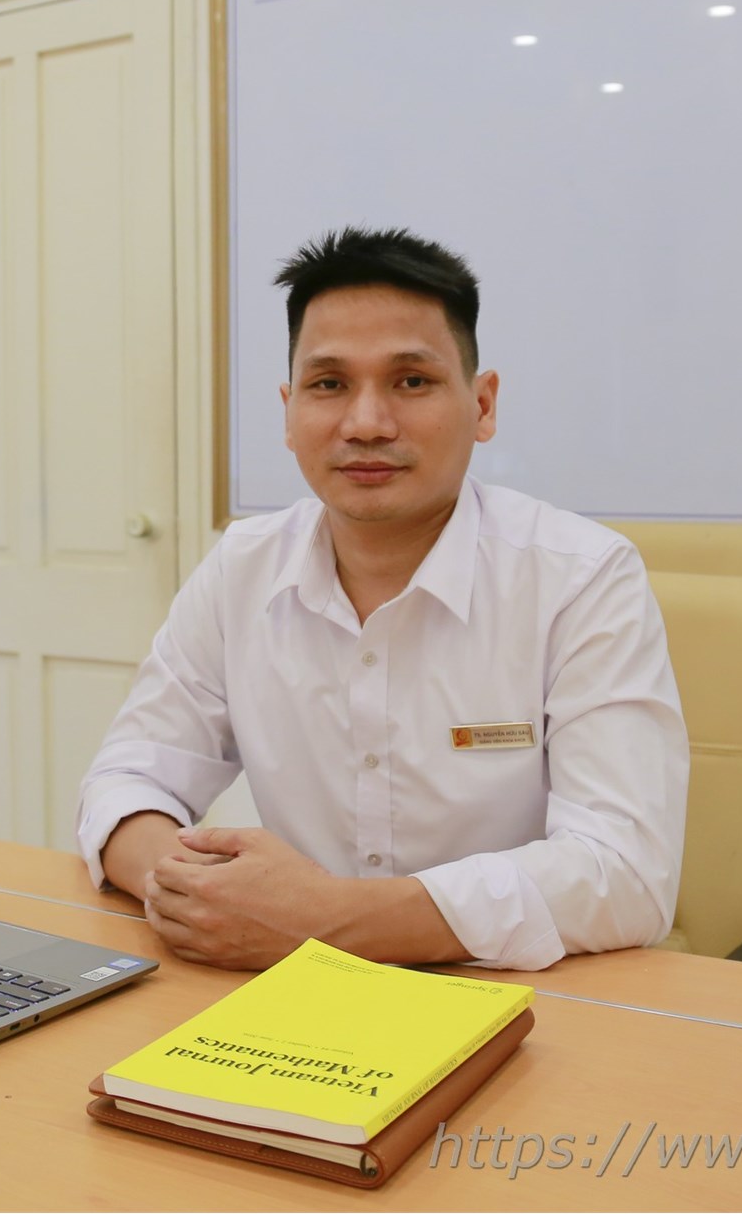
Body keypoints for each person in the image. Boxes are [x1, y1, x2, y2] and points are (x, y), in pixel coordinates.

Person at [74, 227, 688, 971]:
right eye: (329, 385)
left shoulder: (582, 578)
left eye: (412, 381)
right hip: (285, 982)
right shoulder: (243, 567)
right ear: (289, 410)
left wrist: (324, 922)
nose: (366, 424)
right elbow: (128, 779)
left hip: (518, 996)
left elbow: (624, 871)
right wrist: (201, 893)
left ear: (482, 404)